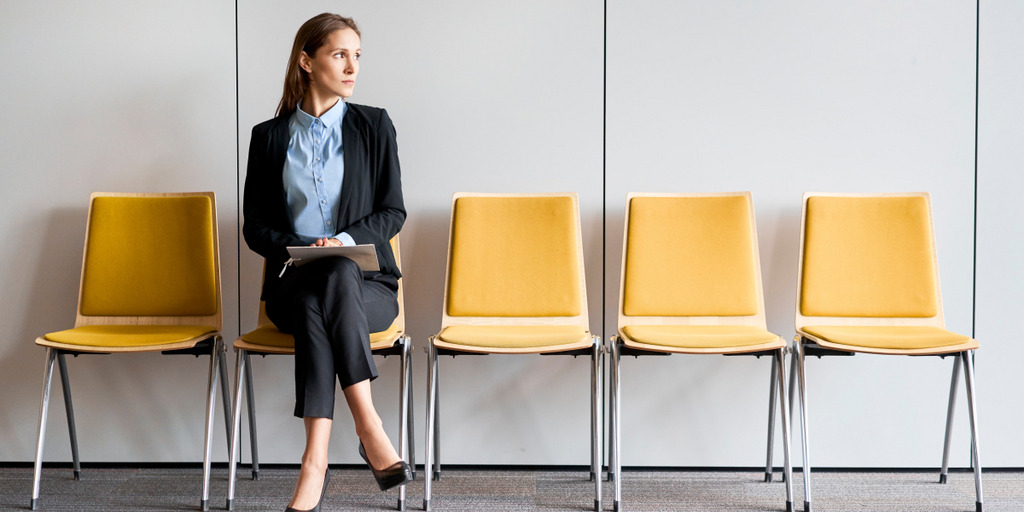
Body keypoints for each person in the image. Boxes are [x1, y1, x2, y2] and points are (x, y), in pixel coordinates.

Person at [242, 12, 412, 512]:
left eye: (356, 55)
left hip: (371, 289)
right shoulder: (269, 138)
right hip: (293, 287)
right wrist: (300, 246)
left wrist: (340, 239)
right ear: (306, 61)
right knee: (322, 283)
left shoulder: (374, 125)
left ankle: (314, 460)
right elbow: (256, 228)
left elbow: (392, 211)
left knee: (337, 271)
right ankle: (370, 426)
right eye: (339, 54)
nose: (351, 66)